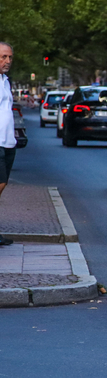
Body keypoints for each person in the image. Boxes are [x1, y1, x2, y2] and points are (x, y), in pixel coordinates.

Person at [0, 41, 16, 246]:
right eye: (3, 57)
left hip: (8, 142)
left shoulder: (5, 81)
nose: (7, 61)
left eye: (10, 57)